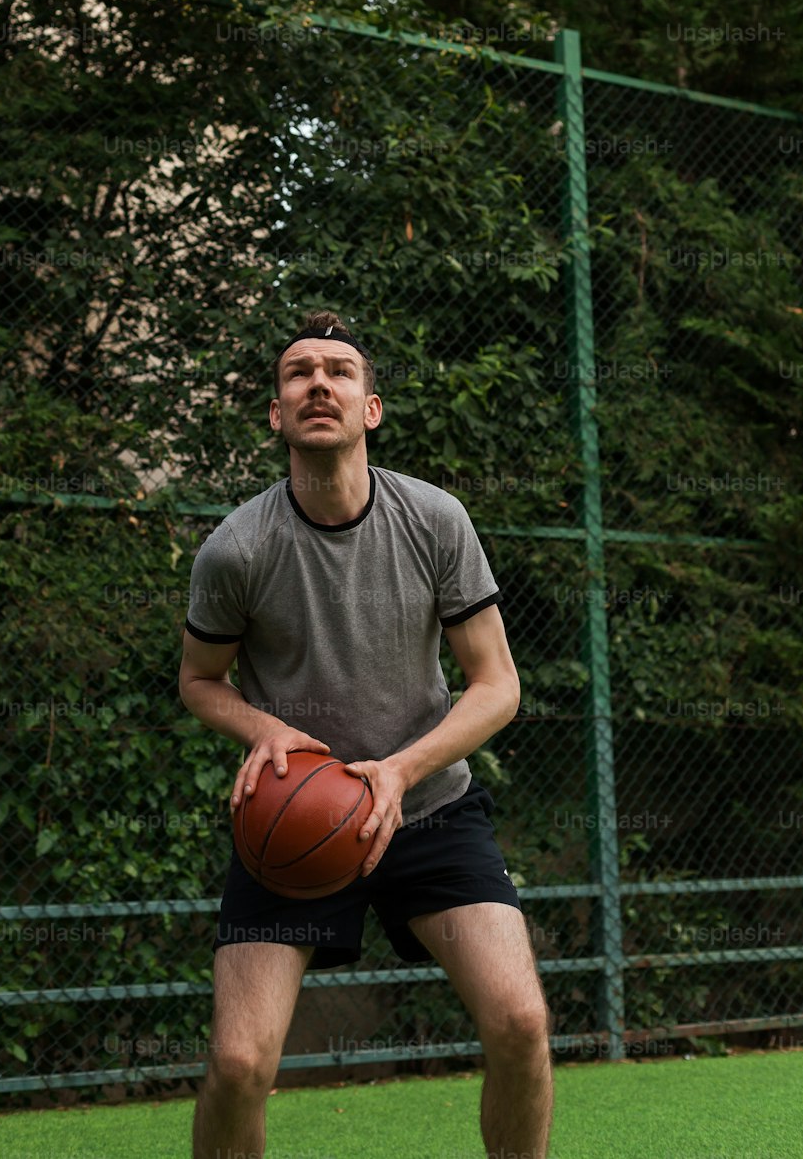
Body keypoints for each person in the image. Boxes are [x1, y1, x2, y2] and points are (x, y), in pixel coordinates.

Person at [179, 309, 554, 1159]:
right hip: (297, 823)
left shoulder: (434, 521)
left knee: (522, 1023)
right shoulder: (237, 549)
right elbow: (199, 683)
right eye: (299, 372)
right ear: (276, 412)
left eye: (339, 371)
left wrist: (399, 768)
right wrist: (266, 728)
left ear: (370, 408)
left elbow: (497, 686)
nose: (319, 382)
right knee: (238, 1063)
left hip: (429, 811)